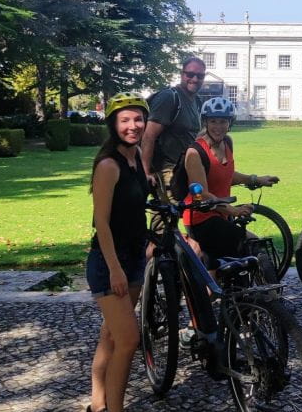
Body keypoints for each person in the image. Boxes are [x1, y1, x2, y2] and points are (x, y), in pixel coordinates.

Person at [85, 93, 151, 412]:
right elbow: (102, 221)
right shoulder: (109, 165)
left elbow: (142, 199)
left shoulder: (137, 156)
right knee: (128, 340)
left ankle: (98, 404)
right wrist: (114, 268)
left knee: (111, 336)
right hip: (110, 262)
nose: (133, 125)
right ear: (113, 124)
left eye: (138, 119)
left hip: (135, 255)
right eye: (125, 120)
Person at [183, 96, 279, 270]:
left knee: (240, 255)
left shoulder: (227, 143)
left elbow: (226, 174)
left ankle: (237, 293)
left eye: (223, 122)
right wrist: (234, 210)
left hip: (221, 215)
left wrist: (255, 179)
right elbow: (202, 195)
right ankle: (258, 295)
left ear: (230, 123)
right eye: (213, 121)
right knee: (247, 244)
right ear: (205, 122)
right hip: (201, 219)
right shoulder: (195, 153)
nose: (218, 127)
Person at [141, 56, 206, 198]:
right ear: (182, 74)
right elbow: (148, 136)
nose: (194, 79)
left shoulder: (197, 102)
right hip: (167, 169)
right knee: (171, 213)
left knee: (195, 208)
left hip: (186, 167)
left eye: (200, 76)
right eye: (190, 74)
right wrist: (145, 173)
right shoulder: (169, 97)